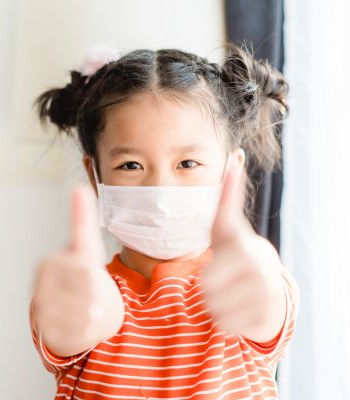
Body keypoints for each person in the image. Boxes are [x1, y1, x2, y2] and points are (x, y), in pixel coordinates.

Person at [28, 43, 300, 399]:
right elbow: (80, 322)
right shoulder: (83, 289)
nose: (160, 188)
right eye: (131, 166)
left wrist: (261, 266)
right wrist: (84, 309)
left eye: (187, 164)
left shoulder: (242, 283)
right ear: (95, 177)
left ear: (232, 169)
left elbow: (265, 306)